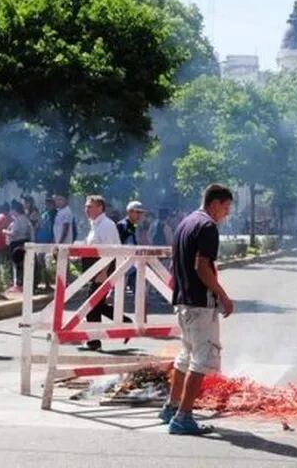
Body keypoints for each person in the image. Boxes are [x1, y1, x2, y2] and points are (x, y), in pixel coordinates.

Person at [159, 184, 235, 435]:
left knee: (185, 356)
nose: (226, 214)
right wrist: (222, 294)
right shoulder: (207, 227)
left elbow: (177, 264)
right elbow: (202, 266)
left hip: (183, 300)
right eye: (226, 208)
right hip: (200, 303)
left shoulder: (186, 223)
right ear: (215, 204)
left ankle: (171, 406)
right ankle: (183, 416)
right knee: (202, 359)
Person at [82, 195, 124, 351]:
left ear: (100, 207)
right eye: (86, 206)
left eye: (90, 206)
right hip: (95, 270)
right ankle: (125, 323)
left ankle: (94, 340)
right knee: (97, 305)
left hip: (104, 270)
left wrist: (104, 272)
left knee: (92, 305)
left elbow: (110, 251)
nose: (86, 209)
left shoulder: (106, 225)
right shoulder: (95, 225)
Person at [3, 200, 33, 292]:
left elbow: (14, 233)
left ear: (15, 210)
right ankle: (23, 284)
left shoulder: (18, 219)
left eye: (12, 210)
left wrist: (4, 231)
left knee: (18, 265)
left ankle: (19, 285)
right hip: (24, 242)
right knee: (23, 265)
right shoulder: (25, 218)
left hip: (17, 243)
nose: (11, 212)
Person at [118, 201, 147, 293]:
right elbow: (119, 244)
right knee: (117, 291)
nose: (140, 215)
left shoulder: (135, 225)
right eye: (137, 212)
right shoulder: (122, 225)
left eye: (141, 213)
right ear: (130, 212)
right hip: (123, 262)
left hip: (134, 263)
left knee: (140, 292)